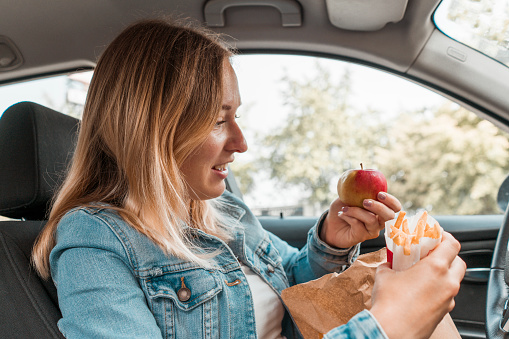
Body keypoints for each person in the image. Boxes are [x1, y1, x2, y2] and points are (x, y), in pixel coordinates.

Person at [32, 19, 466, 339]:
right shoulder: (94, 241)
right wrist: (384, 329)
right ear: (153, 130)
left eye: (236, 117)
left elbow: (289, 279)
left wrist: (333, 240)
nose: (241, 143)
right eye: (219, 121)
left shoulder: (225, 212)